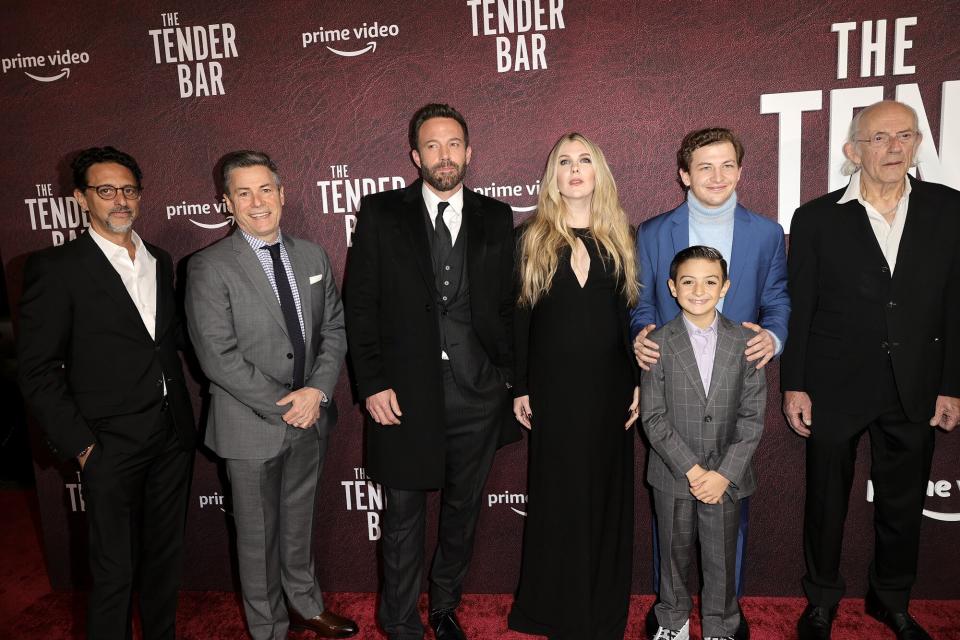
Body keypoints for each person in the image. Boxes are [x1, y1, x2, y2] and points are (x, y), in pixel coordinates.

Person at [783, 100, 960, 640]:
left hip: (916, 384)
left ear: (917, 145)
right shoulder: (815, 217)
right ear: (852, 149)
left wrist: (952, 385)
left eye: (905, 136)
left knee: (903, 504)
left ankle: (892, 600)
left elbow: (956, 303)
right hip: (834, 383)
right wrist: (795, 383)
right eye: (879, 138)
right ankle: (820, 601)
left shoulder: (949, 209)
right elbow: (801, 305)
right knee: (826, 501)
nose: (893, 147)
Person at [344, 104, 516, 640]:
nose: (445, 155)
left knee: (462, 513)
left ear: (469, 151)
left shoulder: (496, 215)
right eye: (433, 146)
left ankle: (444, 606)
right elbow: (360, 303)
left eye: (454, 144)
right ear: (416, 155)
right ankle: (399, 621)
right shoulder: (380, 212)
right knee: (401, 518)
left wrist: (507, 378)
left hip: (477, 392)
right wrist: (370, 382)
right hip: (403, 393)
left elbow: (507, 306)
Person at [17, 146, 196, 639]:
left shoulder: (160, 259)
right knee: (113, 573)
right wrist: (82, 445)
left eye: (128, 189)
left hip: (172, 434)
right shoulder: (56, 267)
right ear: (81, 198)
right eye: (105, 190)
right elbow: (36, 369)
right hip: (108, 443)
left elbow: (168, 341)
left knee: (164, 562)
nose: (119, 200)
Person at [185, 151, 356, 639]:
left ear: (282, 195)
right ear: (227, 203)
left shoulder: (312, 256)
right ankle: (269, 630)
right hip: (251, 425)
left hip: (312, 417)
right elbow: (217, 358)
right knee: (258, 541)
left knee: (298, 526)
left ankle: (306, 605)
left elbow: (335, 329)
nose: (257, 202)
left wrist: (318, 392)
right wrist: (291, 404)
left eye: (265, 190)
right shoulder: (208, 267)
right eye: (244, 193)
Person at [630, 128, 788, 627]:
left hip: (735, 382)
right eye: (704, 166)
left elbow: (778, 296)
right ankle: (671, 618)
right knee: (672, 527)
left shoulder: (766, 232)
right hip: (672, 376)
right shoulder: (653, 232)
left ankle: (725, 620)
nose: (716, 176)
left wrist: (774, 336)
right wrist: (641, 334)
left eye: (726, 166)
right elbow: (642, 302)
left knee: (727, 528)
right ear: (684, 174)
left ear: (741, 171)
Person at [507, 133, 638, 639]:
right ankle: (550, 609)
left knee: (606, 496)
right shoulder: (529, 237)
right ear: (553, 176)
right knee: (556, 498)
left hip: (610, 392)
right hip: (553, 392)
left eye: (585, 160)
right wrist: (520, 386)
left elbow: (633, 319)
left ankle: (601, 611)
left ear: (599, 172)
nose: (576, 169)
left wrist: (640, 382)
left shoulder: (624, 235)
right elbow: (518, 320)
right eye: (565, 162)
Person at [642, 245, 764, 640]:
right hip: (675, 474)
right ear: (672, 288)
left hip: (726, 479)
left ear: (725, 286)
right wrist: (695, 471)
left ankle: (720, 624)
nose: (699, 290)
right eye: (688, 282)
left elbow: (752, 418)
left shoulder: (747, 342)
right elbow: (653, 417)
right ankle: (672, 621)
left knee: (721, 557)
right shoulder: (656, 343)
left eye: (710, 281)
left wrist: (723, 474)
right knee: (672, 558)